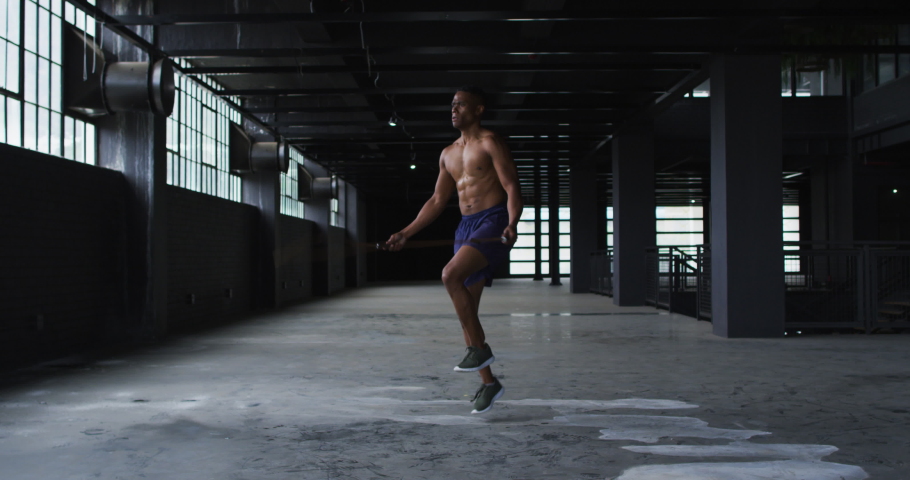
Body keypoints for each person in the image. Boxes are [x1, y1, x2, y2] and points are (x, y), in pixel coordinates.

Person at [386, 86, 523, 414]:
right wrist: (405, 232)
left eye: (461, 104)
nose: (454, 109)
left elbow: (512, 186)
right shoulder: (447, 153)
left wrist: (513, 222)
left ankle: (480, 352)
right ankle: (490, 383)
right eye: (452, 105)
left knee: (449, 275)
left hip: (492, 221)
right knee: (467, 313)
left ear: (478, 109)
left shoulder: (490, 143)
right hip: (465, 227)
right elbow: (436, 201)